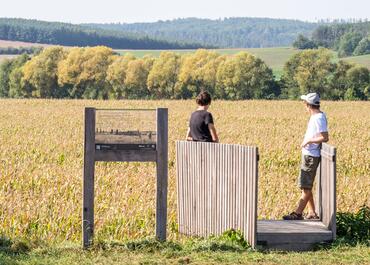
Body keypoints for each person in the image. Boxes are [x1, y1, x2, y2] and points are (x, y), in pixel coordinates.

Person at [283, 92, 329, 220]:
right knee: (305, 186)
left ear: (308, 105)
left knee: (306, 186)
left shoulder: (318, 117)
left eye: (305, 103)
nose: (304, 105)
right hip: (309, 154)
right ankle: (312, 212)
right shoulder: (316, 116)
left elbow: (324, 137)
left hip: (311, 155)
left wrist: (308, 141)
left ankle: (298, 213)